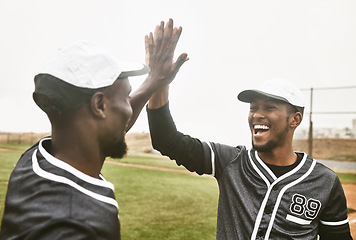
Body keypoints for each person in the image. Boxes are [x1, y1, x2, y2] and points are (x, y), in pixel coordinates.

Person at [0, 19, 188, 240]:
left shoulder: (36, 158)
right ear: (99, 106)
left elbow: (110, 122)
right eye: (126, 97)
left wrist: (153, 82)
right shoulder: (72, 226)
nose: (128, 109)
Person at [147, 76, 353, 238]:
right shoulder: (230, 161)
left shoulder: (325, 181)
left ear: (295, 120)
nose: (257, 114)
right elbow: (166, 141)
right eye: (253, 108)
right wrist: (160, 82)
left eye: (269, 107)